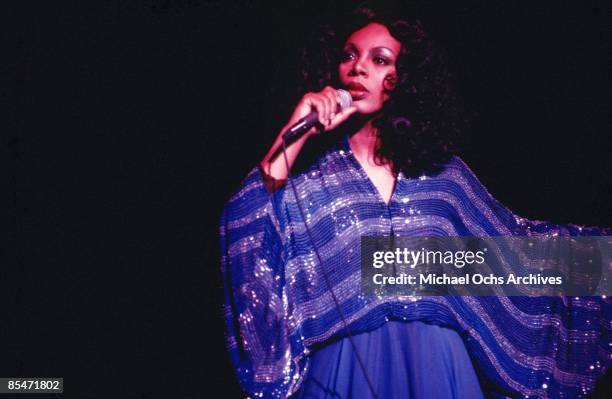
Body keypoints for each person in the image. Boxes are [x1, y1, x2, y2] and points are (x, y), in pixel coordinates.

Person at [220, 6, 610, 399]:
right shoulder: (312, 182)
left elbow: (520, 261)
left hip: (437, 369)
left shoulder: (443, 180)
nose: (358, 68)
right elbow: (247, 224)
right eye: (348, 55)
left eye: (379, 59)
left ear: (404, 79)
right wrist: (296, 128)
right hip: (343, 372)